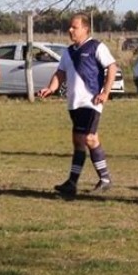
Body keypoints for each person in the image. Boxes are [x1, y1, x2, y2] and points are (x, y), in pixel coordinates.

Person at [38, 13, 117, 196]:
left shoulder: (96, 47)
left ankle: (77, 182)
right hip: (74, 104)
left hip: (91, 102)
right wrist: (50, 88)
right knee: (82, 141)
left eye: (74, 27)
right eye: (70, 27)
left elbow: (112, 66)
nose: (70, 30)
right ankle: (99, 179)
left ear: (85, 29)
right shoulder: (68, 51)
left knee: (87, 138)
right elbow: (60, 73)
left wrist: (105, 92)